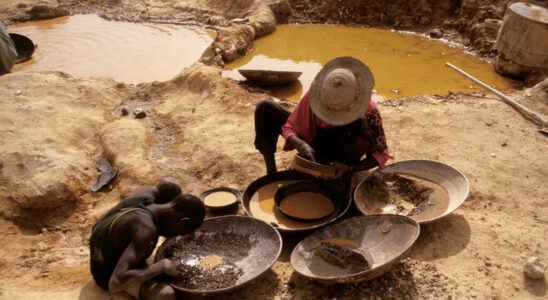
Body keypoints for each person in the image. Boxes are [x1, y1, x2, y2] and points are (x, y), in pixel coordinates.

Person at [254, 56, 391, 176]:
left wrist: (352, 169)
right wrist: (300, 144)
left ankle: (337, 175)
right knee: (265, 108)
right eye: (328, 110)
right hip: (315, 146)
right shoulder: (316, 96)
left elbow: (380, 153)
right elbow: (290, 126)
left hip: (344, 157)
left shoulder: (369, 112)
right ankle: (271, 172)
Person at [89, 179, 205, 300]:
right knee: (166, 294)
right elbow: (117, 280)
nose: (176, 236)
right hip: (106, 272)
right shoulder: (146, 230)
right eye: (181, 232)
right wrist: (161, 266)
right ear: (182, 221)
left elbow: (165, 184)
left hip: (102, 243)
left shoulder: (147, 193)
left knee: (172, 186)